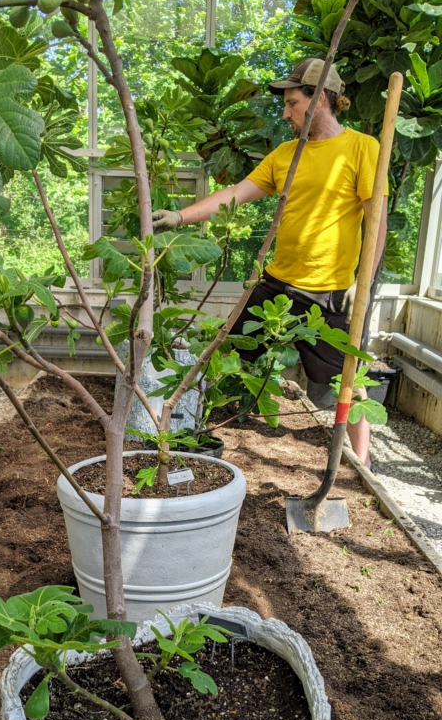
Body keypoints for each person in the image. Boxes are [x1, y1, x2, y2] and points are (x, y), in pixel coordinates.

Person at [152, 58, 388, 467]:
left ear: (320, 101)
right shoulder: (284, 156)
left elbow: (376, 221)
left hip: (328, 292)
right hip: (276, 285)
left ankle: (364, 465)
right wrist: (180, 217)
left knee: (347, 380)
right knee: (224, 352)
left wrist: (362, 283)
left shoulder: (361, 148)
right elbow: (236, 192)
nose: (285, 113)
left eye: (293, 103)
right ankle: (188, 435)